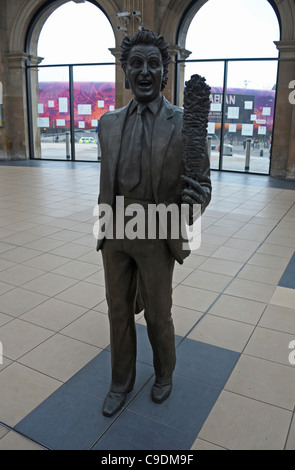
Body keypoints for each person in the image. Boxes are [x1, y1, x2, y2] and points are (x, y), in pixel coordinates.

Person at [95, 29, 212, 417]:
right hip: (115, 229)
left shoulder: (183, 123)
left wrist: (193, 207)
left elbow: (202, 185)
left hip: (158, 230)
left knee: (159, 313)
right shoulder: (107, 124)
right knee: (117, 311)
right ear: (125, 72)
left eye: (153, 64)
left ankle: (164, 374)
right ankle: (120, 382)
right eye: (136, 64)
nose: (145, 71)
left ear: (165, 72)